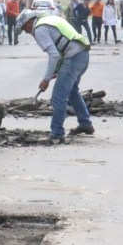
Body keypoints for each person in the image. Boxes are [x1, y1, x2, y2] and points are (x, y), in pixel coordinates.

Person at [15, 10, 95, 144]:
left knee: (58, 97)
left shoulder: (39, 29)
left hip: (73, 57)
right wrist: (57, 70)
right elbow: (62, 46)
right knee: (72, 91)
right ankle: (86, 124)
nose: (27, 32)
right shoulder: (50, 19)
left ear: (29, 22)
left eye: (25, 28)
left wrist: (46, 79)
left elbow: (54, 55)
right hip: (83, 55)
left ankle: (57, 133)